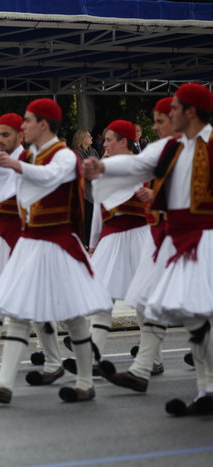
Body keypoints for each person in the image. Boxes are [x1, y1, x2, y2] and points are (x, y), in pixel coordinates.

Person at [0, 98, 112, 404]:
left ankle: (85, 382)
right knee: (18, 309)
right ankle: (4, 382)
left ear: (44, 124)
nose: (24, 126)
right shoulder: (34, 154)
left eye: (28, 120)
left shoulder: (64, 156)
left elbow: (49, 177)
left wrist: (16, 165)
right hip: (32, 242)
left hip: (58, 243)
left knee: (72, 317)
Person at [84, 83, 213, 416]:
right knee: (186, 312)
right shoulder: (169, 148)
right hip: (178, 238)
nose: (163, 120)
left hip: (206, 237)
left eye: (171, 112)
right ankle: (201, 387)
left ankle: (201, 385)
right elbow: (137, 165)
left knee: (199, 313)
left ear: (190, 112)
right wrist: (103, 167)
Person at [0, 113, 65, 387]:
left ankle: (59, 361)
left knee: (35, 304)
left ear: (20, 135)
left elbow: (12, 168)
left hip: (25, 240)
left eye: (5, 135)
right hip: (3, 238)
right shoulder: (1, 165)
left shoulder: (29, 159)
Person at [96, 97, 178, 393]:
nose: (155, 128)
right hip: (127, 236)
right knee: (110, 298)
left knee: (161, 303)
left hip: (149, 235)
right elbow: (101, 207)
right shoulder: (154, 154)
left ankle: (154, 363)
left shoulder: (150, 159)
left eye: (161, 120)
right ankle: (106, 358)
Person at [64, 120, 151, 375]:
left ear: (124, 141)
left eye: (111, 139)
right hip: (112, 237)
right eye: (105, 139)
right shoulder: (104, 168)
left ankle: (151, 359)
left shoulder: (139, 165)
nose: (105, 143)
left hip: (138, 234)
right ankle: (91, 359)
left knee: (143, 302)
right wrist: (93, 243)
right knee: (102, 300)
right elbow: (99, 212)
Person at [72, 129, 99, 244]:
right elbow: (85, 171)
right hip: (83, 192)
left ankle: (91, 243)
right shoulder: (76, 153)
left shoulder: (93, 152)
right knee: (85, 221)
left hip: (95, 191)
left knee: (93, 221)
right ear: (82, 139)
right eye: (89, 136)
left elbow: (100, 167)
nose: (91, 138)